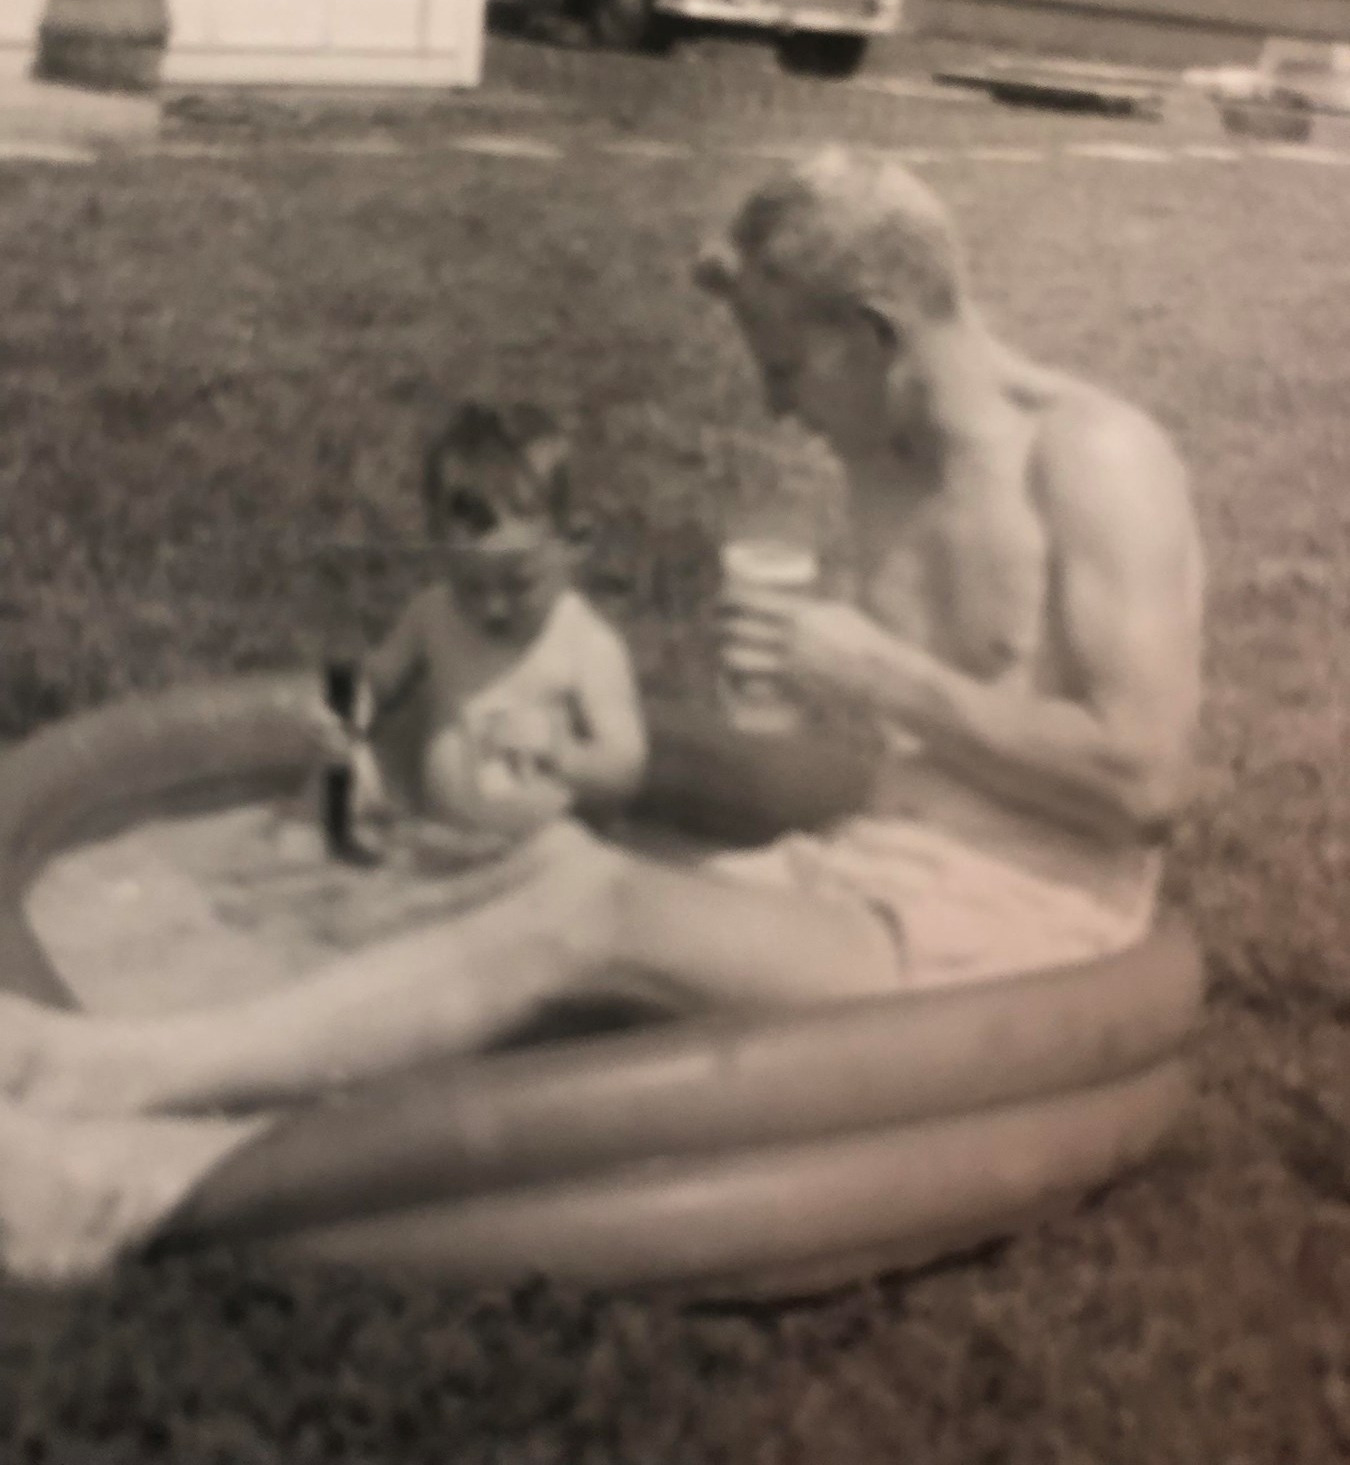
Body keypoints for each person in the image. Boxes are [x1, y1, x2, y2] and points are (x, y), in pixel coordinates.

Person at [0, 150, 1204, 1283]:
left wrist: (883, 677)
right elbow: (933, 745)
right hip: (880, 869)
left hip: (1019, 926)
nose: (774, 407)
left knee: (591, 904)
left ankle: (132, 1140)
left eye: (786, 367)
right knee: (523, 870)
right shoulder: (886, 453)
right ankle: (178, 1104)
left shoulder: (1095, 459)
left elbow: (1145, 786)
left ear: (873, 330)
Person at [334, 400, 647, 854]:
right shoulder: (433, 615)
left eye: (518, 584)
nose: (492, 607)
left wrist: (559, 752)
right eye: (469, 584)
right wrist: (345, 715)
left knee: (575, 861)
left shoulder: (586, 643)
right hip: (441, 844)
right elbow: (377, 680)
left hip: (547, 858)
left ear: (572, 544)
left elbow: (627, 766)